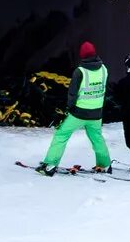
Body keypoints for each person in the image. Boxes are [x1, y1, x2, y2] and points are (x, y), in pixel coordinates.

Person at [35, 42, 111, 175]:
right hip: (97, 113)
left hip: (78, 113)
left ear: (82, 55)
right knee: (97, 138)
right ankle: (105, 164)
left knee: (61, 135)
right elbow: (103, 90)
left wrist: (68, 109)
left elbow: (72, 94)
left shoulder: (80, 71)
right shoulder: (104, 69)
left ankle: (50, 165)